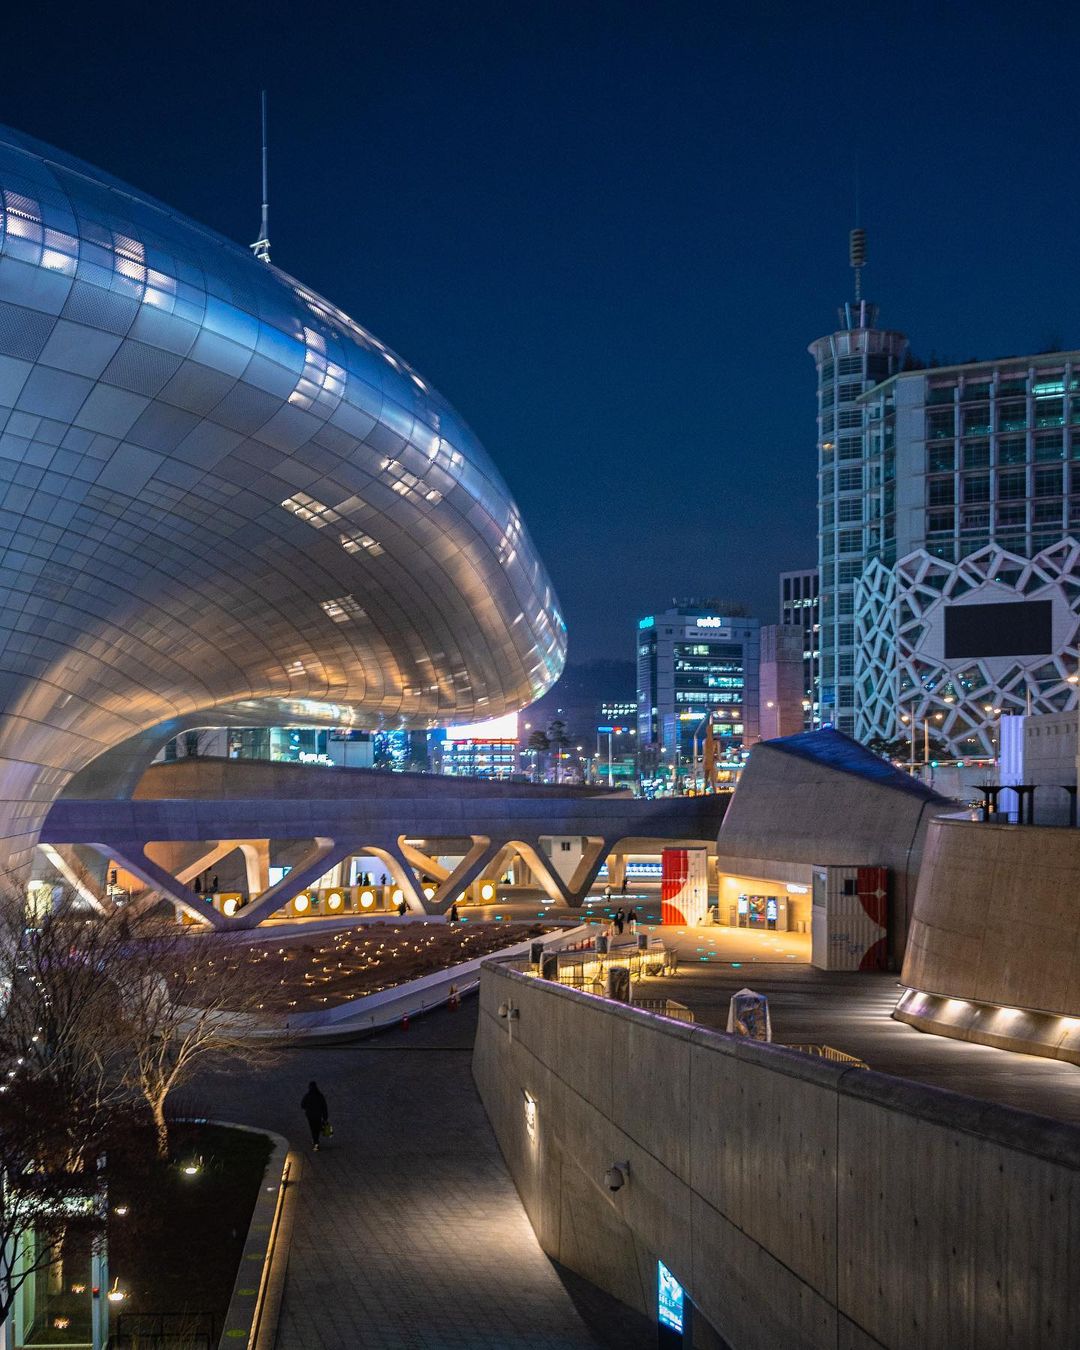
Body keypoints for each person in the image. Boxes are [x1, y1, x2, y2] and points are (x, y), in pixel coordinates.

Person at [301, 1080, 329, 1151]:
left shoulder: (307, 1096)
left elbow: (302, 1105)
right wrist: (325, 1116)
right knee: (317, 1128)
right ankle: (316, 1141)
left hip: (310, 1116)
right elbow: (324, 1106)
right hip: (318, 1115)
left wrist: (308, 1108)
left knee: (313, 1128)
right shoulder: (320, 1095)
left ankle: (315, 1141)